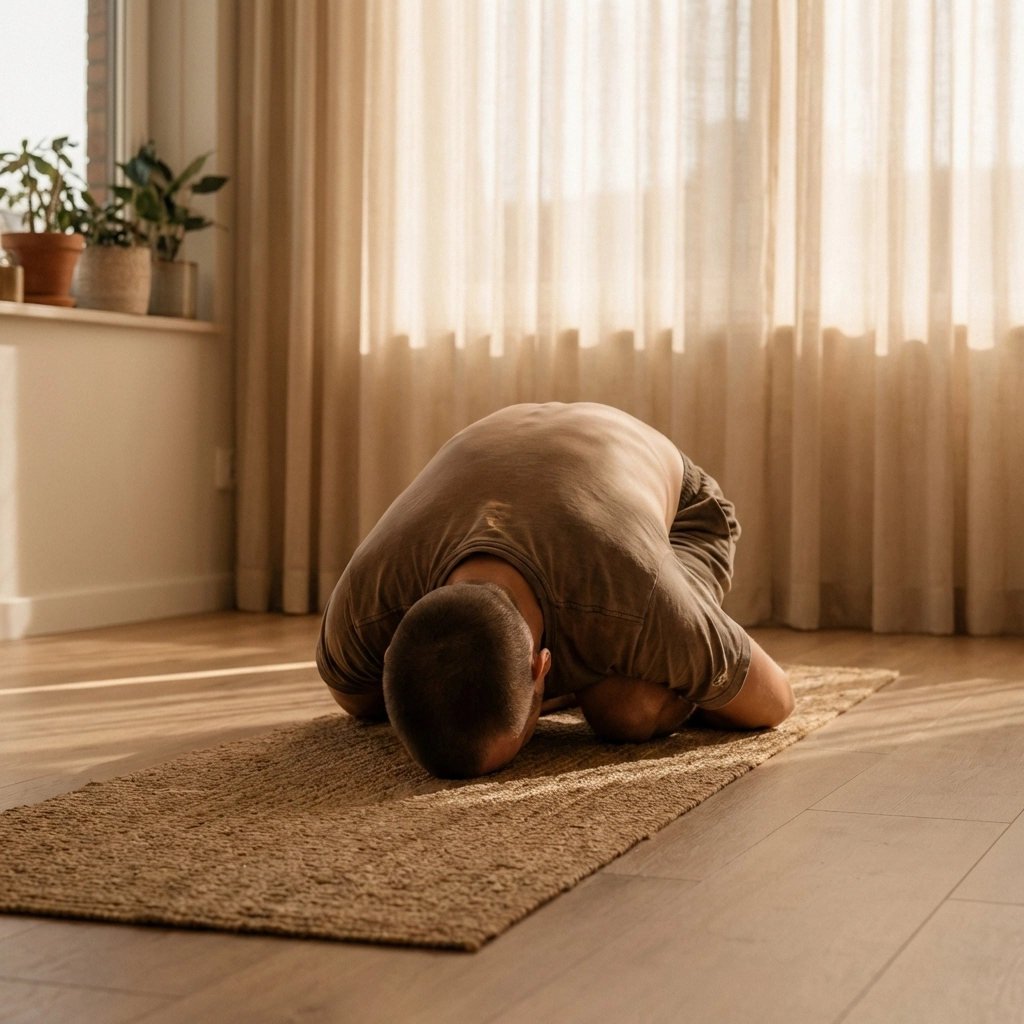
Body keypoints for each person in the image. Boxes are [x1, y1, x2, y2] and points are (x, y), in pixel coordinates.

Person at [317, 402, 794, 779]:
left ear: (542, 664)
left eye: (529, 736)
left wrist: (689, 657)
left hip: (681, 513)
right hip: (530, 451)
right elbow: (356, 698)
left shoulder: (632, 596)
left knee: (627, 709)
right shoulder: (366, 607)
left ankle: (598, 675)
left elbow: (775, 702)